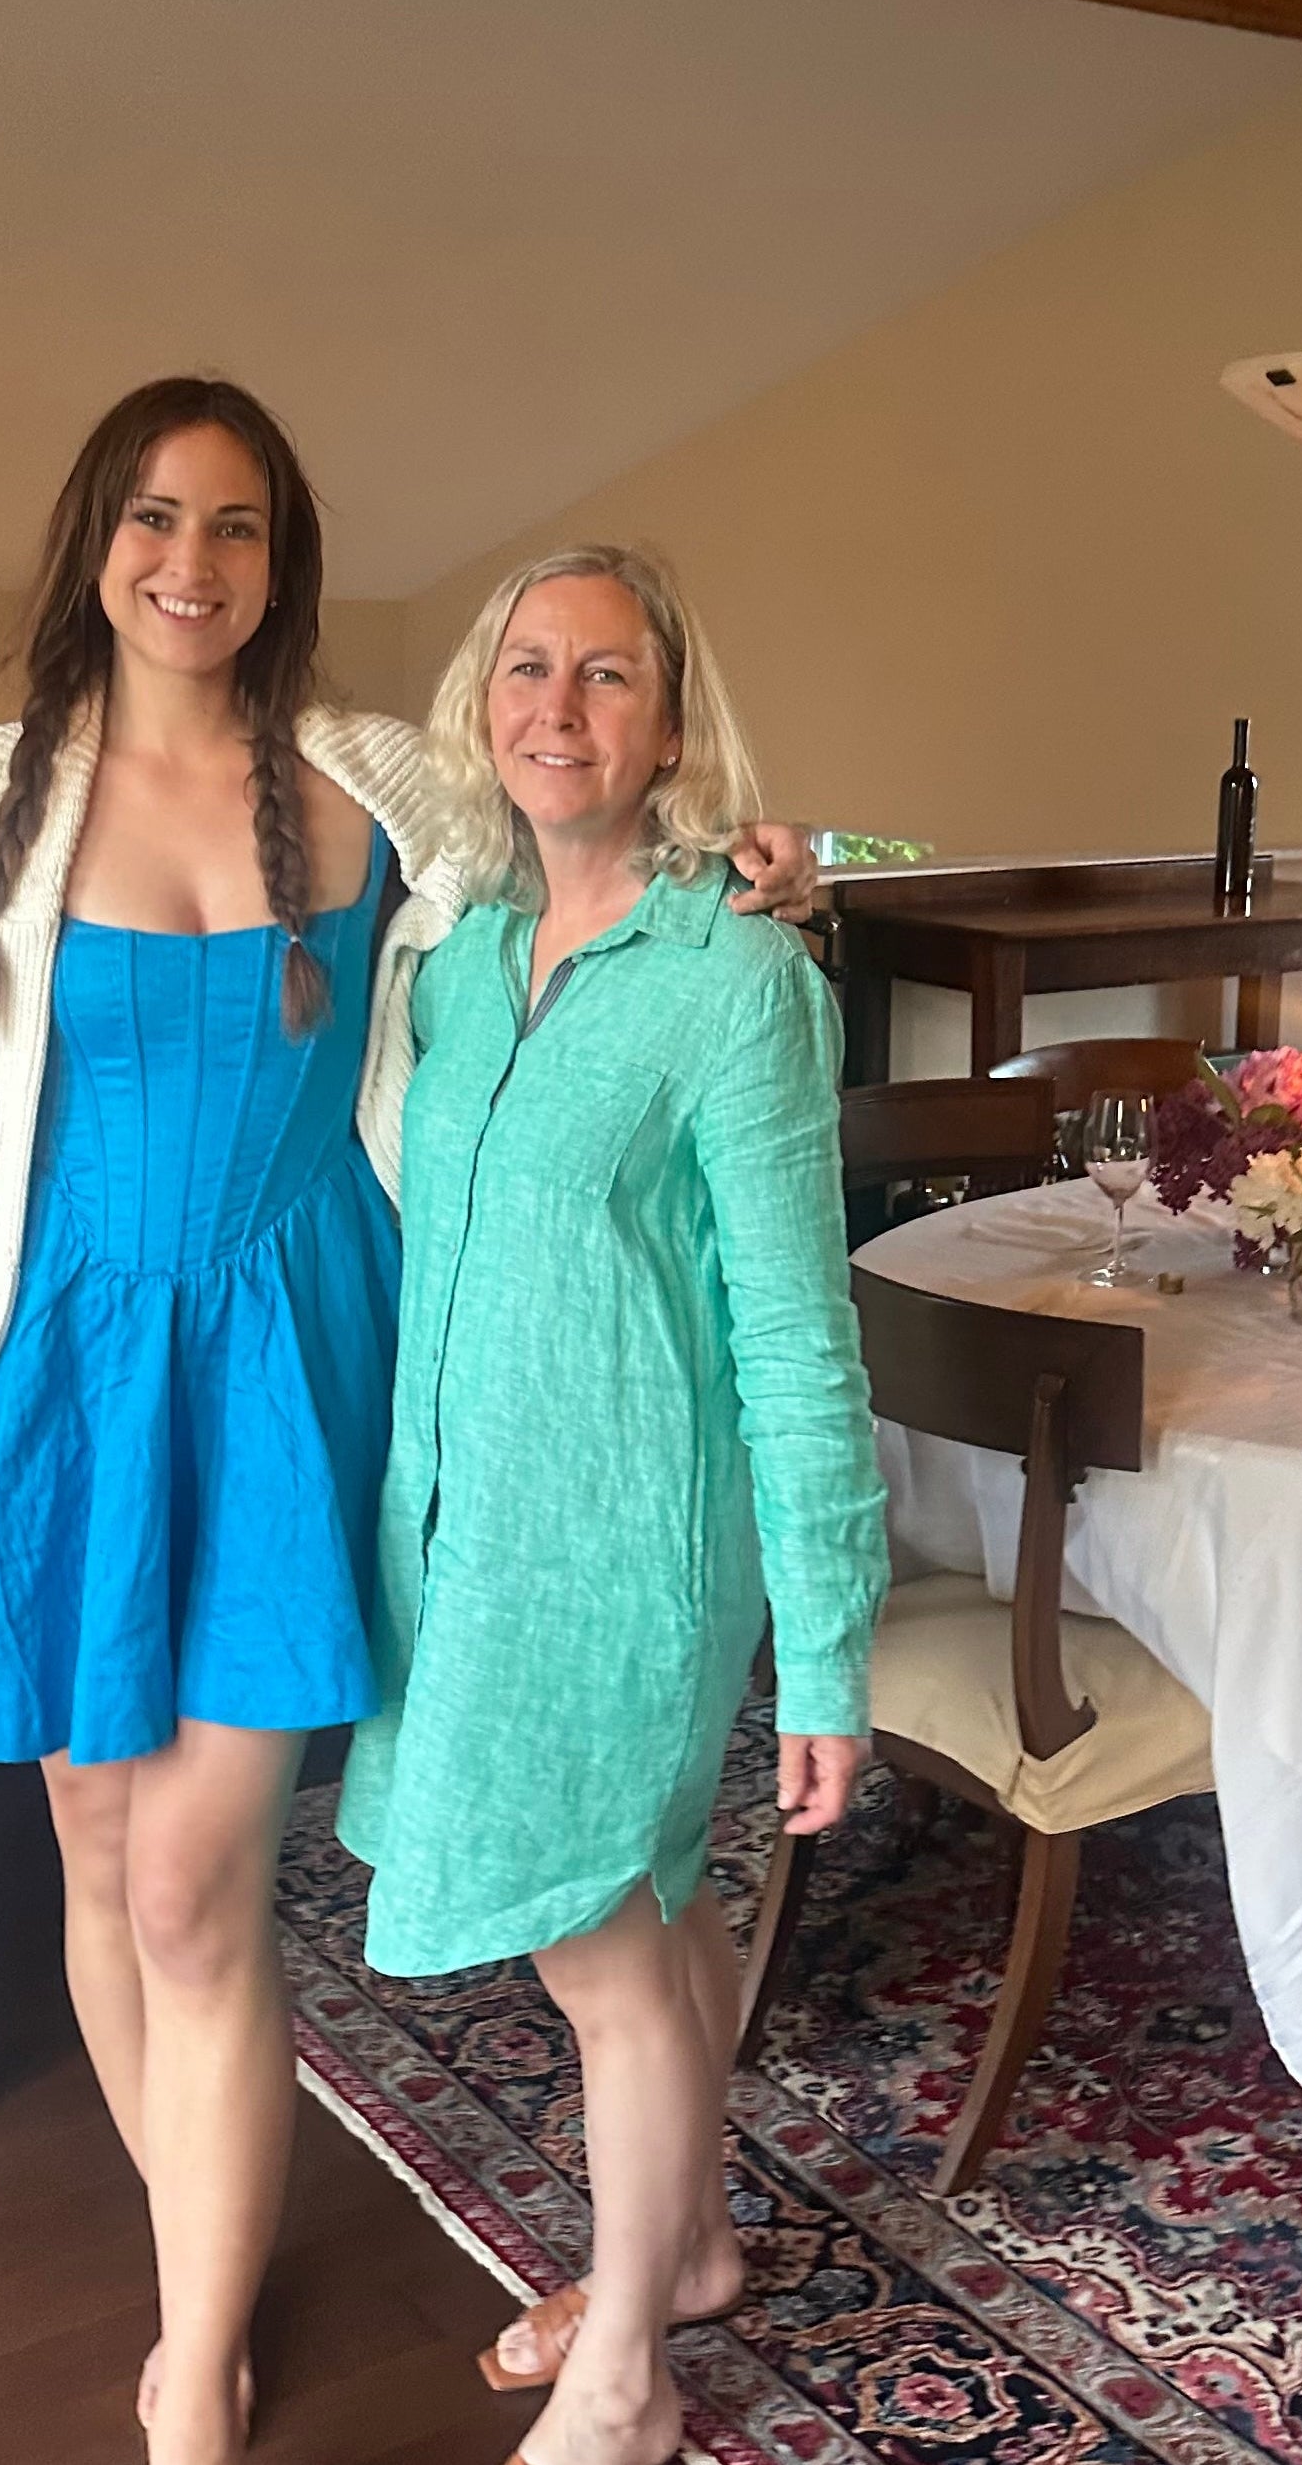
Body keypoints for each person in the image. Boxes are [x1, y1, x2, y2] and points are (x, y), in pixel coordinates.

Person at [0, 386, 812, 2465]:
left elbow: (587, 826)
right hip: (47, 1367)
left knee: (192, 1876)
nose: (195, 561)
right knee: (92, 1841)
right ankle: (202, 2271)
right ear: (95, 538)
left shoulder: (380, 782)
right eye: (159, 517)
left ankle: (196, 2368)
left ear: (284, 561)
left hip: (281, 1357)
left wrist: (760, 874)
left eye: (239, 526)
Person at [339, 544, 886, 2465]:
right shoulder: (464, 957)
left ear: (671, 726)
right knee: (650, 1896)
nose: (557, 709)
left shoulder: (742, 981)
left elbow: (803, 1342)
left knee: (602, 1950)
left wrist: (825, 1649)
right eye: (526, 668)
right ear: (481, 700)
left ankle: (631, 2377)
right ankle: (694, 2247)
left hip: (630, 1552)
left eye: (608, 677)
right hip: (465, 1520)